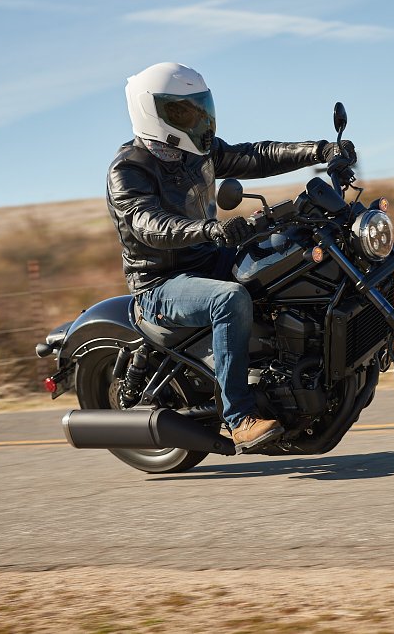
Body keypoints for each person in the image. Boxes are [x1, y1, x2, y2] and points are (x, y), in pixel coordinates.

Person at [106, 62, 354, 451]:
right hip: (160, 284)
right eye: (182, 111)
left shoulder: (194, 152)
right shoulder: (129, 169)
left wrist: (321, 150)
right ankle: (238, 417)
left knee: (287, 252)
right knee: (230, 299)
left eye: (198, 108)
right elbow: (147, 224)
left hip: (209, 258)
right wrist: (209, 230)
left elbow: (256, 156)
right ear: (152, 112)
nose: (196, 119)